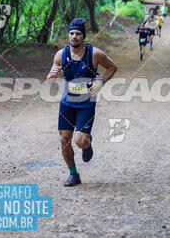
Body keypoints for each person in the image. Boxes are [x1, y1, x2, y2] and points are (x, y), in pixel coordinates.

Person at [46, 18, 118, 187]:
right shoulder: (60, 55)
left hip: (86, 103)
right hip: (67, 103)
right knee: (64, 139)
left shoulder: (94, 53)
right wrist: (52, 75)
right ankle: (73, 174)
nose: (74, 37)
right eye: (71, 33)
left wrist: (101, 82)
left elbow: (112, 67)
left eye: (78, 33)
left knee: (80, 141)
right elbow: (49, 82)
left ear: (83, 36)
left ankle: (87, 143)